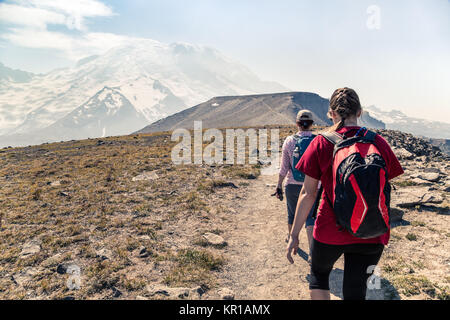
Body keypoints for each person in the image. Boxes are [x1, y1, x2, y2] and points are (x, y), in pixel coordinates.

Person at [286, 87, 404, 300]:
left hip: (330, 229)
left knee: (319, 276)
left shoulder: (321, 143)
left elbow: (308, 193)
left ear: (331, 113)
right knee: (356, 290)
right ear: (359, 112)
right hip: (372, 230)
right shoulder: (377, 142)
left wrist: (294, 235)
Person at [274, 109, 317, 258]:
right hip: (312, 186)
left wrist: (279, 185)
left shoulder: (289, 141)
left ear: (297, 123)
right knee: (311, 217)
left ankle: (292, 238)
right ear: (312, 123)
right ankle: (313, 252)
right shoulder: (318, 141)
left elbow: (284, 167)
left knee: (292, 214)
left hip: (292, 184)